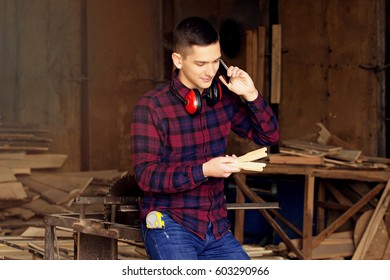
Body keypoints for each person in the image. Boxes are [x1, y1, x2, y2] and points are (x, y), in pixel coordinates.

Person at [130, 16, 279, 260]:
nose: (210, 71)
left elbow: (268, 136)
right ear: (178, 60)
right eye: (201, 63)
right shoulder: (151, 106)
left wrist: (251, 94)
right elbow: (146, 176)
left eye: (215, 61)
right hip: (169, 222)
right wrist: (204, 170)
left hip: (216, 226)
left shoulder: (222, 98)